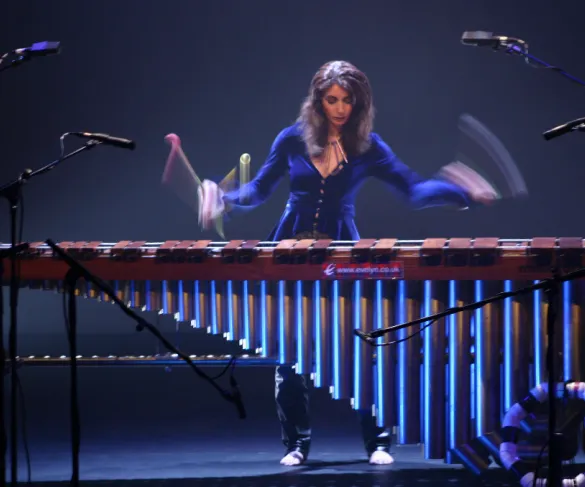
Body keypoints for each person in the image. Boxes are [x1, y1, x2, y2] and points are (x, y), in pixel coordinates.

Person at [197, 60, 497, 466]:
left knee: (365, 349)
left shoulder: (368, 146)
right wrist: (223, 197)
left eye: (347, 101)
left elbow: (413, 190)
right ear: (318, 100)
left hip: (344, 255)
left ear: (359, 102)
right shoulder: (292, 139)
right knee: (291, 356)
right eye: (331, 99)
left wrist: (458, 190)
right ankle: (297, 445)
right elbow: (258, 190)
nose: (339, 108)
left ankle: (379, 443)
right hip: (289, 253)